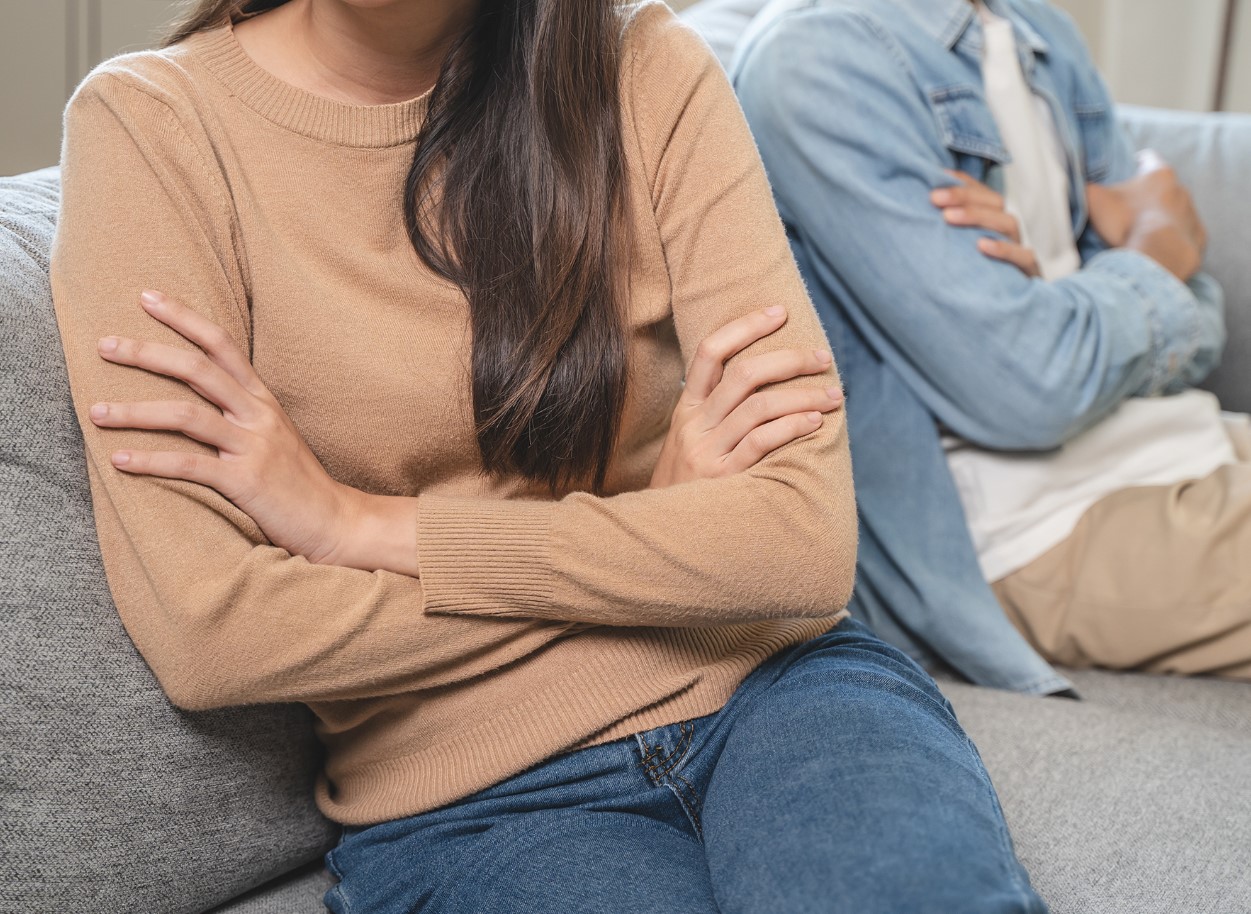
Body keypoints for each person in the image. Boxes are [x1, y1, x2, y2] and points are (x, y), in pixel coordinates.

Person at [49, 0, 1047, 910]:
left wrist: (368, 527)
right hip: (473, 804)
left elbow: (800, 546)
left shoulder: (648, 68)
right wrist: (664, 538)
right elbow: (216, 633)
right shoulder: (153, 129)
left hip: (779, 691)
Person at [733, 0, 1249, 695]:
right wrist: (1152, 252)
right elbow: (1034, 388)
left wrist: (1073, 300)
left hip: (1170, 435)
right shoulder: (818, 61)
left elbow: (1198, 309)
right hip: (1028, 523)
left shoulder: (1039, 30)